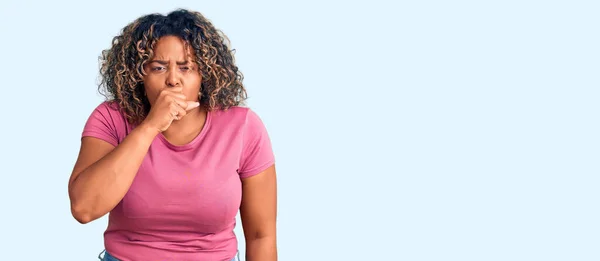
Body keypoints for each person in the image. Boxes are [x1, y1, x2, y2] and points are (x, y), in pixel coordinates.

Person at [67, 9, 277, 261]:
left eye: (186, 67)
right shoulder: (110, 118)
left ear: (204, 75)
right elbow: (84, 209)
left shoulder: (243, 127)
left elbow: (261, 236)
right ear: (139, 75)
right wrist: (150, 127)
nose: (173, 80)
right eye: (158, 68)